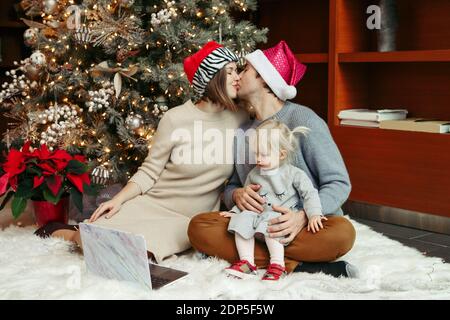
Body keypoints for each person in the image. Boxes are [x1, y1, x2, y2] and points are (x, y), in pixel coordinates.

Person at [34, 41, 248, 263]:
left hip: (189, 219)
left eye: (237, 70)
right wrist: (118, 200)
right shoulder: (176, 118)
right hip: (154, 203)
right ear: (211, 78)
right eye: (229, 71)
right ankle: (64, 231)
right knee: (93, 237)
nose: (237, 77)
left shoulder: (241, 119)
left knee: (135, 252)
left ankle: (84, 232)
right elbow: (150, 170)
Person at [188, 40, 358, 278]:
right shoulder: (243, 131)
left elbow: (339, 183)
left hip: (306, 224)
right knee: (199, 227)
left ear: (264, 80)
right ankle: (297, 265)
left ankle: (259, 259)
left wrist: (302, 216)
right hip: (257, 223)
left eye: (244, 69)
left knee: (343, 233)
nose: (237, 74)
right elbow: (235, 185)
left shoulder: (304, 120)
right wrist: (236, 195)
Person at [222, 120, 328, 281]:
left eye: (263, 154)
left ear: (281, 154)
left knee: (273, 223)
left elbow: (310, 194)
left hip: (279, 220)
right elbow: (248, 199)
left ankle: (278, 264)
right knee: (240, 220)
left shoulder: (294, 174)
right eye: (256, 153)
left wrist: (314, 215)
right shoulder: (254, 174)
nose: (258, 158)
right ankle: (246, 263)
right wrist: (235, 212)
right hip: (257, 217)